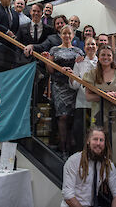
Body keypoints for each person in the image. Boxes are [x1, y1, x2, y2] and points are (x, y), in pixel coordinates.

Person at [42, 24, 84, 155]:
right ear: (60, 35)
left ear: (73, 35)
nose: (66, 36)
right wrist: (47, 61)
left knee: (73, 117)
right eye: (64, 33)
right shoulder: (54, 50)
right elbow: (50, 70)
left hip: (74, 86)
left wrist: (76, 68)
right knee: (63, 117)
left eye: (69, 33)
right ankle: (63, 147)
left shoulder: (78, 51)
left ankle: (73, 147)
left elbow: (83, 71)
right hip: (59, 86)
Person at [83, 44, 116, 167]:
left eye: (108, 55)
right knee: (98, 149)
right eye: (103, 55)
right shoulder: (91, 74)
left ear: (112, 57)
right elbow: (88, 97)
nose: (106, 57)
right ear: (98, 56)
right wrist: (107, 95)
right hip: (98, 115)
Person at [61, 126, 116, 207]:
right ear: (88, 141)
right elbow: (68, 195)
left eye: (101, 140)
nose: (98, 143)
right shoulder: (73, 161)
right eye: (95, 139)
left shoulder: (108, 165)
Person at [69, 37, 98, 152]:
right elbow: (75, 85)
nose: (90, 46)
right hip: (82, 103)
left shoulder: (101, 62)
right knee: (80, 132)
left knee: (95, 132)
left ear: (97, 47)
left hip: (97, 104)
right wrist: (71, 77)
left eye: (93, 44)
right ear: (84, 47)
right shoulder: (79, 63)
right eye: (88, 44)